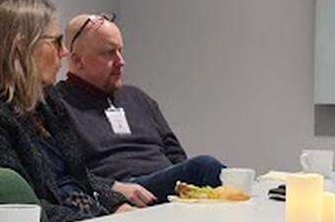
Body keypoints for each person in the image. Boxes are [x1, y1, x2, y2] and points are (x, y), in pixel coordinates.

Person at [0, 0, 136, 222]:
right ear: (21, 47)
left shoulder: (47, 101)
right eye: (56, 42)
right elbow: (17, 209)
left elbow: (78, 177)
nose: (64, 52)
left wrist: (117, 203)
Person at [54, 13, 222, 201]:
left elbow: (175, 154)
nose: (121, 62)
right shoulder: (57, 104)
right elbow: (65, 172)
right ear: (77, 60)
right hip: (120, 189)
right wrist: (111, 191)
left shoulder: (137, 98)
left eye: (120, 51)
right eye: (109, 53)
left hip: (166, 184)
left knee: (230, 179)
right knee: (204, 168)